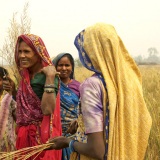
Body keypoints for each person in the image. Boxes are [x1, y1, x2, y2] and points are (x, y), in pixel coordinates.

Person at [48, 23, 152, 159]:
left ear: (94, 50)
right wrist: (82, 122)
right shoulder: (129, 81)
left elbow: (97, 150)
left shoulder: (92, 85)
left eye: (85, 48)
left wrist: (67, 142)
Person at [14, 34, 62, 160]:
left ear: (38, 53)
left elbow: (47, 110)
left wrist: (50, 78)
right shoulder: (26, 75)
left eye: (26, 52)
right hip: (24, 137)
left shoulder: (48, 75)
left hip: (40, 137)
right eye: (19, 51)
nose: (21, 56)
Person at [52, 53, 81, 160]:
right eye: (60, 65)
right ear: (55, 66)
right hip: (54, 134)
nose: (64, 68)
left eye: (67, 65)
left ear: (72, 67)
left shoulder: (79, 86)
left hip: (73, 134)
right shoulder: (50, 85)